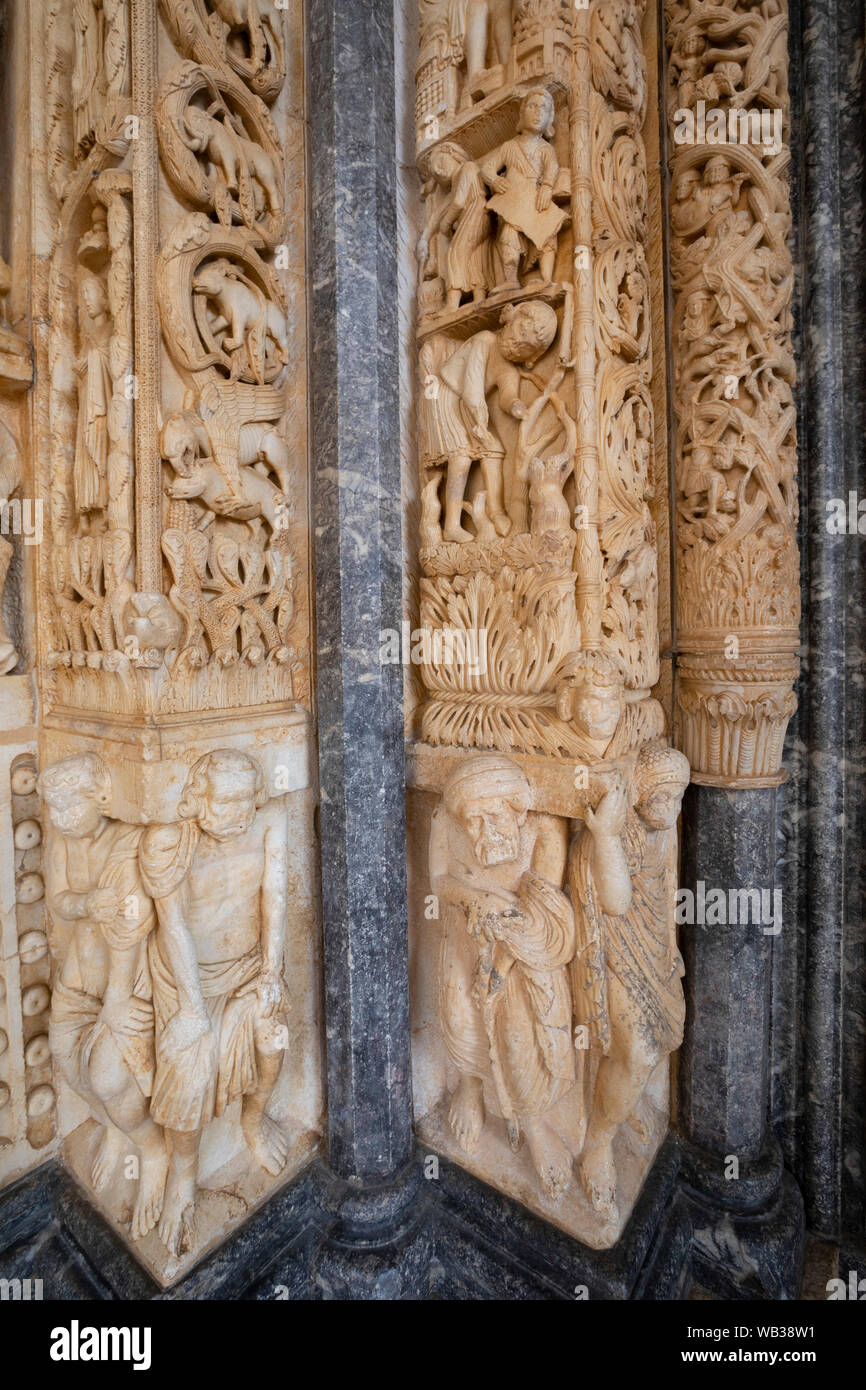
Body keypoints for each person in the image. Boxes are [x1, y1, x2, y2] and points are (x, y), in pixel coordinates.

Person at [139, 749, 290, 1256]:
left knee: (274, 1031)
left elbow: (275, 894)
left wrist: (272, 971)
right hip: (187, 978)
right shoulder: (168, 840)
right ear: (198, 799)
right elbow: (174, 926)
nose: (239, 812)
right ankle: (183, 1172)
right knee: (190, 1063)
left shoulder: (270, 822)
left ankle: (254, 1117)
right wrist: (192, 1008)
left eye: (247, 799)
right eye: (226, 802)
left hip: (248, 963)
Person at [430, 753, 577, 1199]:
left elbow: (542, 908)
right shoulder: (445, 820)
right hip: (466, 930)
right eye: (472, 822)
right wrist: (476, 899)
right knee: (458, 1012)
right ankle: (470, 1088)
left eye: (492, 817)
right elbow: (438, 881)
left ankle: (533, 1124)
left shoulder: (544, 828)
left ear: (517, 810)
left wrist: (499, 966)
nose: (481, 832)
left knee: (516, 1032)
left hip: (522, 950)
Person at [41, 753, 168, 1241]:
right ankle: (115, 1126)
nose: (59, 818)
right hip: (78, 984)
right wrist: (86, 903)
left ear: (100, 797)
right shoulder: (63, 844)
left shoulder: (125, 842)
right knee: (68, 1064)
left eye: (70, 806)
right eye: (54, 808)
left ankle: (153, 1150)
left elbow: (131, 928)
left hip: (124, 987)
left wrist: (117, 1002)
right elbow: (58, 900)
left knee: (110, 1077)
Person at [568, 742, 690, 1221]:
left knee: (660, 1039)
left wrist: (669, 946)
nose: (671, 808)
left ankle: (622, 1102)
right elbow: (616, 901)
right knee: (635, 1049)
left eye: (677, 797)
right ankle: (597, 1144)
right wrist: (606, 838)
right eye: (660, 798)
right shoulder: (624, 833)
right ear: (638, 795)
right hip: (616, 948)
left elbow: (666, 888)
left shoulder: (666, 826)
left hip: (653, 952)